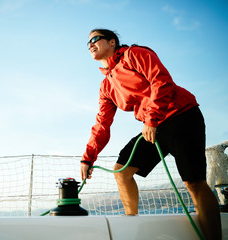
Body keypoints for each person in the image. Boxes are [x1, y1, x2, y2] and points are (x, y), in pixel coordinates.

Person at [80, 28, 221, 240]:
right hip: (154, 126)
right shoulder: (106, 86)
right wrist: (88, 158)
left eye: (95, 39)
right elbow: (102, 124)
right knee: (121, 171)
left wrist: (152, 119)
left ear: (112, 42)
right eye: (87, 42)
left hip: (181, 116)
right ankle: (132, 226)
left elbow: (161, 81)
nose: (90, 44)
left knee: (194, 183)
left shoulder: (135, 54)